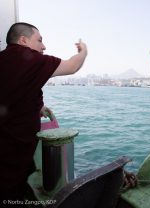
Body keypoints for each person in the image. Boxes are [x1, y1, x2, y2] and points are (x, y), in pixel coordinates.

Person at [0, 22, 87, 204]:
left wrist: (37, 107)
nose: (43, 46)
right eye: (39, 40)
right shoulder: (28, 59)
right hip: (12, 155)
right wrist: (83, 51)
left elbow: (12, 93)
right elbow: (72, 66)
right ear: (23, 40)